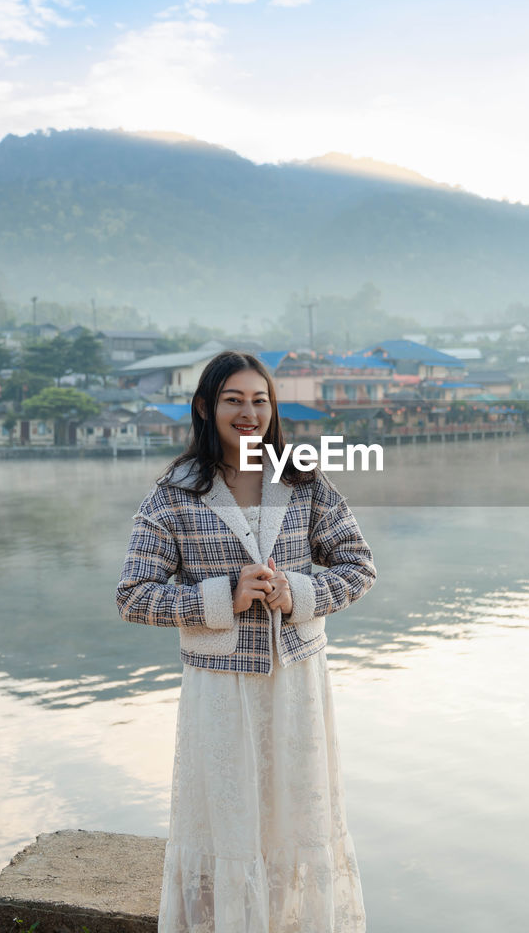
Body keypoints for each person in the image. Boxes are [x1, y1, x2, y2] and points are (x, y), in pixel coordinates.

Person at [115, 350, 376, 933]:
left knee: (296, 821)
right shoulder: (173, 494)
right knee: (226, 826)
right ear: (205, 408)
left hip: (297, 685)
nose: (249, 412)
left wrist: (297, 594)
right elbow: (134, 595)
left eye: (260, 400)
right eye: (234, 400)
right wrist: (221, 597)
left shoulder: (304, 480)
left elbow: (358, 567)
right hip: (219, 689)